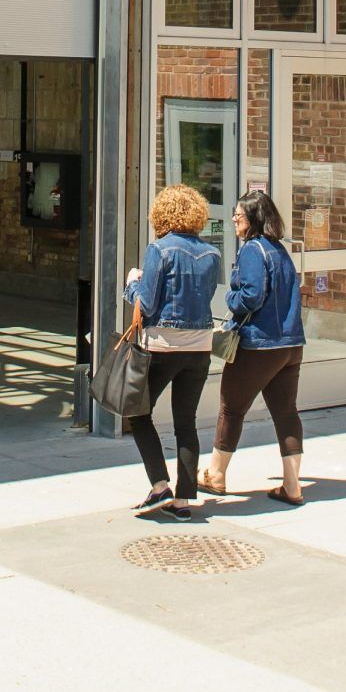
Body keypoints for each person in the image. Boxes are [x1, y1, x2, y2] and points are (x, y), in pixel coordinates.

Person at [202, 186, 308, 506]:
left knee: (231, 408)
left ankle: (216, 475)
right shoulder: (280, 250)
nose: (234, 219)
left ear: (253, 218)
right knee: (286, 412)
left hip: (259, 345)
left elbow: (250, 296)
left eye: (238, 214)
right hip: (290, 344)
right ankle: (292, 486)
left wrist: (229, 297)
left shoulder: (252, 250)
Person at [124, 183, 221, 519]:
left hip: (163, 345)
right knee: (186, 422)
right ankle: (183, 500)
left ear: (161, 214)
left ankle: (159, 485)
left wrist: (132, 283)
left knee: (138, 413)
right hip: (200, 346)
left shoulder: (159, 250)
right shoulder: (212, 254)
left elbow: (147, 303)